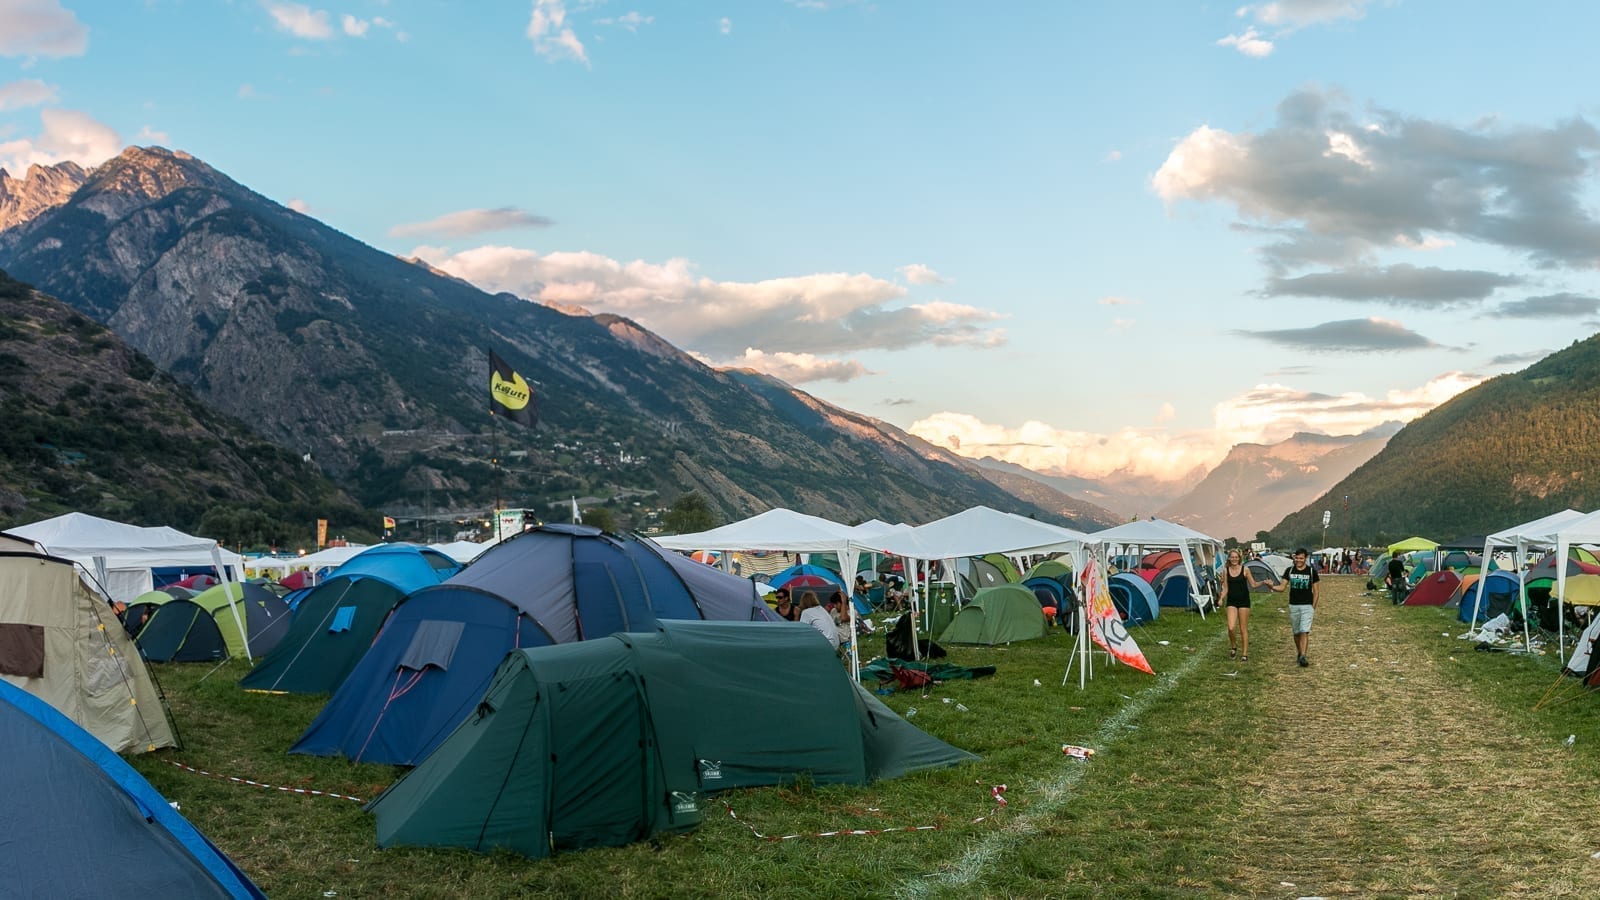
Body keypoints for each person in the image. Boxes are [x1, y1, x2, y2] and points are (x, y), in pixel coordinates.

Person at [1221, 549, 1269, 661]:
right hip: (1231, 601)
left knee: (1243, 628)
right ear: (1229, 558)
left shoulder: (1245, 570)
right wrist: (1220, 598)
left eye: (1236, 557)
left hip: (1244, 601)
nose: (1234, 559)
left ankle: (1244, 654)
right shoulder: (1226, 571)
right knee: (1231, 627)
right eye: (1232, 557)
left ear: (1239, 558)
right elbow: (1225, 588)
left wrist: (1263, 582)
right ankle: (1233, 646)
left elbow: (1253, 584)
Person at [1276, 547, 1320, 667]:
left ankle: (1303, 656)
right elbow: (1282, 587)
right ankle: (1299, 652)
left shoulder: (1311, 572)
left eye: (1301, 558)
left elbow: (1316, 591)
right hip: (1294, 605)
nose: (1299, 560)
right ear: (1294, 558)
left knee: (1304, 631)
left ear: (1305, 558)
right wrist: (1271, 586)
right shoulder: (1289, 570)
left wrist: (1313, 607)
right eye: (1297, 558)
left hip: (1307, 605)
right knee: (1296, 633)